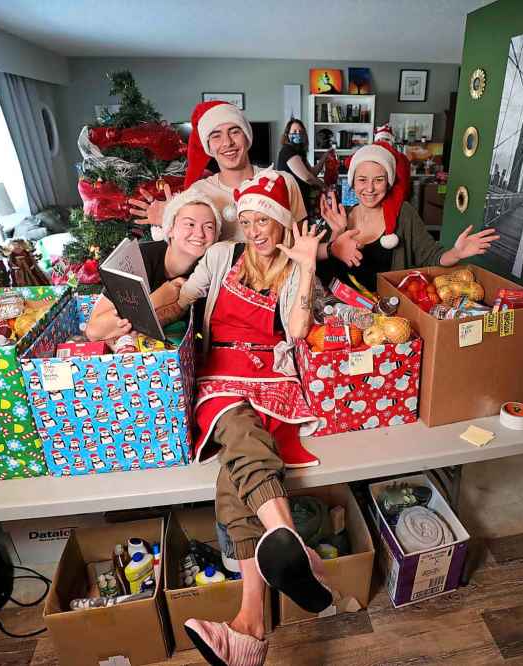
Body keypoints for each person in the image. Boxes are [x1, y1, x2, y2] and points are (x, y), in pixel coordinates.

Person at [166, 171, 330, 666]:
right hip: (220, 375)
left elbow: (298, 329)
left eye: (267, 222)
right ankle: (289, 540)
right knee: (238, 425)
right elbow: (184, 296)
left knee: (234, 474)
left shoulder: (290, 266)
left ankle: (250, 627)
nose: (257, 230)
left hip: (271, 377)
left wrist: (304, 267)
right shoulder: (219, 258)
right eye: (250, 221)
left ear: (282, 226)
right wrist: (140, 305)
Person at [319, 133, 500, 291]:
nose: (370, 188)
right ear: (353, 183)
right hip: (341, 313)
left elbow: (431, 256)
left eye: (379, 180)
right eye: (362, 180)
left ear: (389, 183)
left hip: (388, 316)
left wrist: (456, 253)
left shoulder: (403, 214)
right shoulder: (340, 217)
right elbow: (325, 276)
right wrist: (337, 232)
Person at [128, 101, 307, 242]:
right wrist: (170, 222)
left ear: (247, 137)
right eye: (216, 135)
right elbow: (182, 261)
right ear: (208, 146)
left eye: (234, 131)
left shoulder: (282, 181)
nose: (227, 142)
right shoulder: (196, 193)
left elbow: (303, 243)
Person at [84, 191, 220, 345]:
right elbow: (93, 331)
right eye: (190, 224)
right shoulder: (139, 258)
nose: (199, 233)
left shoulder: (212, 270)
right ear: (170, 229)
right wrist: (158, 298)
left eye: (209, 227)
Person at [275, 118, 326, 211]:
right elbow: (308, 178)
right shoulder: (288, 150)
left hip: (301, 199)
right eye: (294, 131)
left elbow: (312, 173)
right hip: (292, 201)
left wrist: (324, 159)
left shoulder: (299, 152)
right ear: (287, 134)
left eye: (300, 132)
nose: (298, 134)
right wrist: (324, 186)